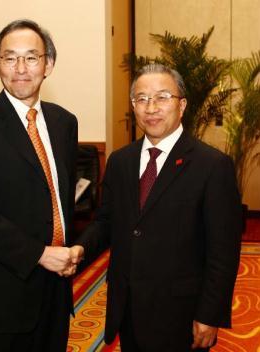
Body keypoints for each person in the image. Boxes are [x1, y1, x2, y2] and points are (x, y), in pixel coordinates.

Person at [74, 63, 242, 351]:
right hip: (127, 305)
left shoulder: (212, 166)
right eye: (142, 99)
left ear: (182, 105)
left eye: (162, 97)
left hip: (180, 313)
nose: (151, 107)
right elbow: (106, 221)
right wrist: (80, 249)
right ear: (133, 106)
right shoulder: (120, 161)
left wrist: (209, 314)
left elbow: (223, 252)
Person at [0, 19, 82, 352]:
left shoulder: (64, 122)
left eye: (31, 57)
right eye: (10, 58)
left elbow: (60, 198)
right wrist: (40, 254)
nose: (20, 68)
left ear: (48, 64)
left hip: (56, 289)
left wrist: (68, 250)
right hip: (4, 293)